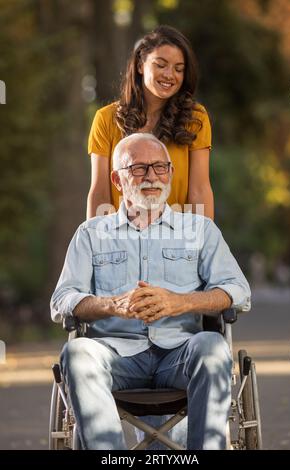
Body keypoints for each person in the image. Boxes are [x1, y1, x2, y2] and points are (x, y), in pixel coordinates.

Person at [51, 134, 250, 450]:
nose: (153, 177)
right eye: (140, 169)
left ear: (170, 172)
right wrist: (113, 305)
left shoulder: (199, 230)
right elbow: (62, 299)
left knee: (212, 346)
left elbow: (237, 290)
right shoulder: (90, 234)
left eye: (160, 167)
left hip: (180, 354)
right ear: (117, 179)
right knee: (76, 353)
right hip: (116, 355)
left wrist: (178, 302)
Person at [87, 25, 213, 220]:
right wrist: (97, 242)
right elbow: (100, 191)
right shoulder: (106, 119)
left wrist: (204, 244)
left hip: (176, 241)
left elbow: (199, 190)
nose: (170, 75)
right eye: (160, 65)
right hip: (122, 241)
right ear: (140, 65)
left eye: (178, 69)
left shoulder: (195, 118)